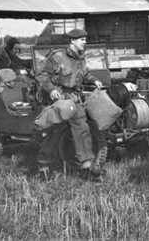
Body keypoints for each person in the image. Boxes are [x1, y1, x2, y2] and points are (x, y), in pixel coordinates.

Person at [36, 28, 103, 179]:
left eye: (85, 40)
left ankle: (86, 166)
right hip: (58, 98)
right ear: (72, 41)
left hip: (73, 97)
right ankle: (43, 166)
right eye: (82, 40)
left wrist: (94, 80)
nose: (85, 42)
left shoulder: (80, 58)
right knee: (54, 131)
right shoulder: (57, 56)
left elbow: (84, 73)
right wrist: (51, 89)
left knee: (82, 128)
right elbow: (42, 74)